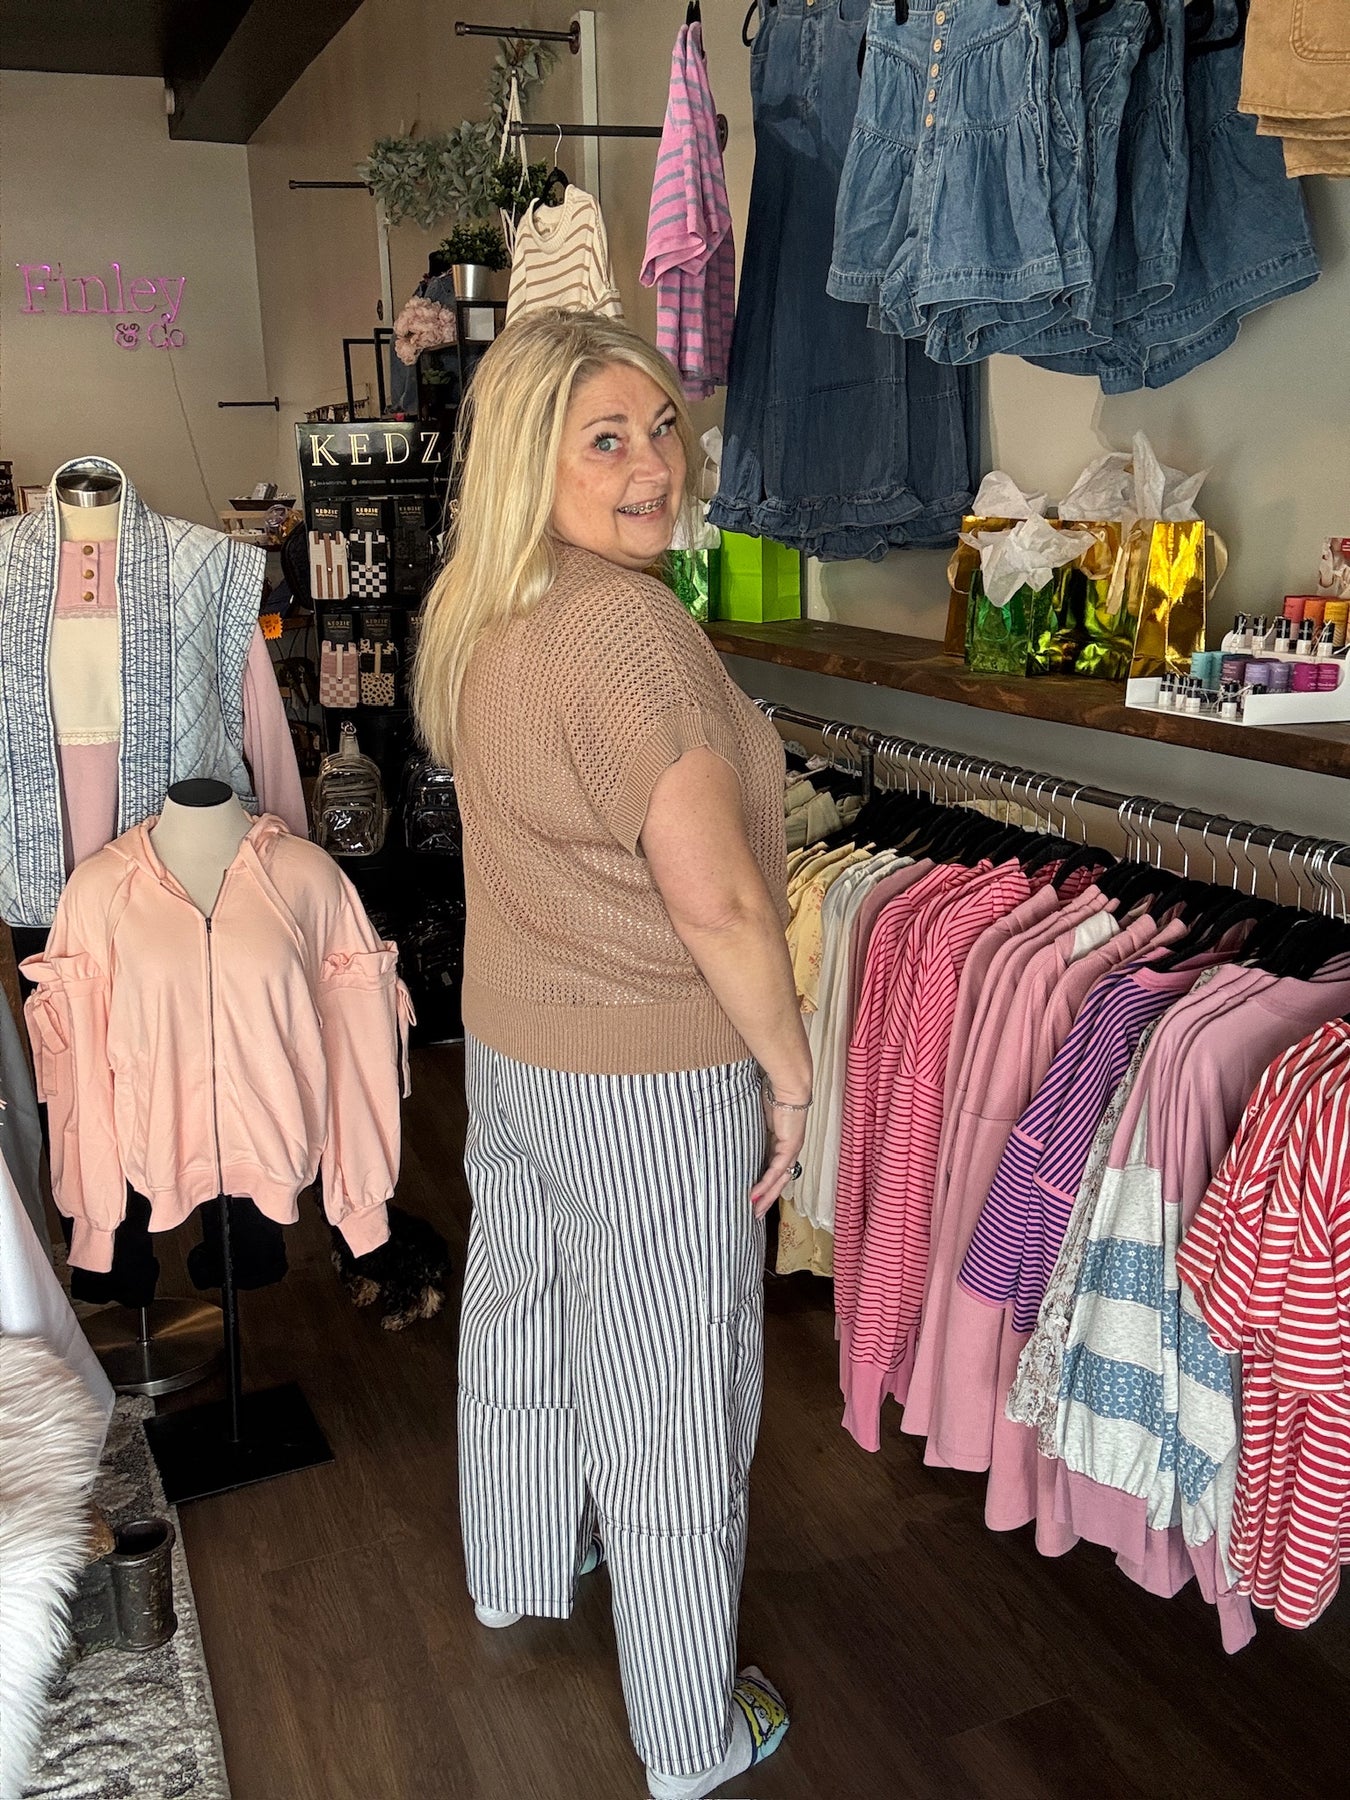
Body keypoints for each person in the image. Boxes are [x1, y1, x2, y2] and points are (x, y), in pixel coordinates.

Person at [413, 309, 810, 1800]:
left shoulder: (486, 607)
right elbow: (718, 901)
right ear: (534, 461)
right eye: (606, 440)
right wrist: (789, 1073)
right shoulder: (629, 630)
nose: (655, 465)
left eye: (660, 428)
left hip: (521, 1050)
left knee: (520, 1321)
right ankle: (691, 1737)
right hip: (645, 1075)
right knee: (671, 1401)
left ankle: (516, 1569)